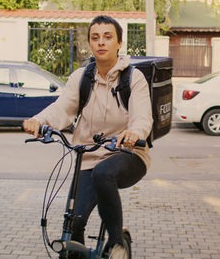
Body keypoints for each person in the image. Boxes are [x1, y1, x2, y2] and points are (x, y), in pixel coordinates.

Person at [23, 15, 152, 259]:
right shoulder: (81, 78)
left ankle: (117, 244)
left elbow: (142, 117)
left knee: (105, 173)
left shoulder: (133, 79)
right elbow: (62, 108)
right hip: (88, 157)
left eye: (108, 37)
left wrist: (135, 133)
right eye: (95, 38)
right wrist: (39, 121)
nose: (101, 42)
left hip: (128, 154)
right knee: (74, 224)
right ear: (90, 44)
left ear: (119, 43)